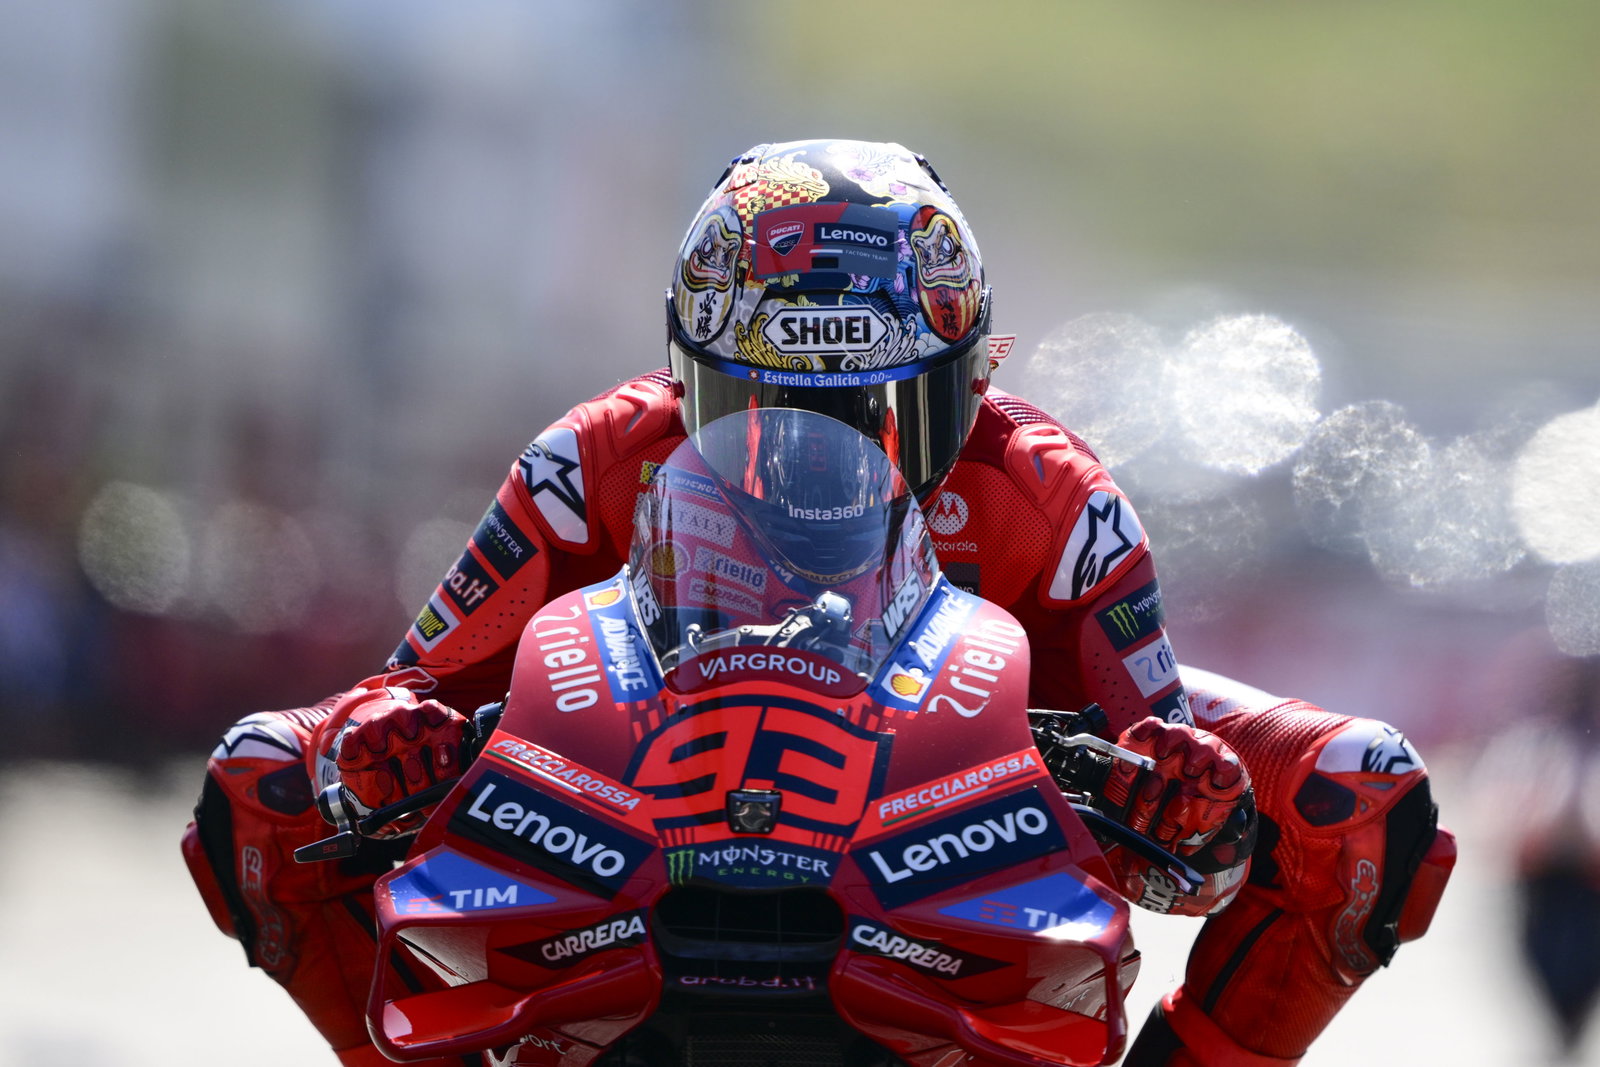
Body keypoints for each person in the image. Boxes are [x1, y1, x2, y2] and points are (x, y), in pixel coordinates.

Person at [182, 139, 1455, 1067]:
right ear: (688, 381)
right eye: (765, 407)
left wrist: (1171, 792)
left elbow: (1170, 816)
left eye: (882, 411)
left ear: (969, 381)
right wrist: (382, 744)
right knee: (261, 785)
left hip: (969, 790)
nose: (821, 460)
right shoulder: (588, 465)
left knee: (1361, 797)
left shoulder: (1055, 499)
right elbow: (396, 704)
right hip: (629, 792)